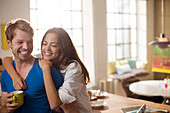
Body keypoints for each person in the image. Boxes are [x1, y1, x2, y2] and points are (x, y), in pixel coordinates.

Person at [3, 27, 92, 113]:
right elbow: (7, 60)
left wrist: (46, 68)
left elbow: (55, 104)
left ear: (63, 47)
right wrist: (15, 76)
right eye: (45, 44)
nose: (47, 49)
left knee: (67, 105)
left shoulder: (73, 68)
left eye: (53, 45)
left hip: (76, 110)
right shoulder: (43, 58)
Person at [0, 18, 63, 113]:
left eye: (29, 42)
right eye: (20, 42)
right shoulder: (5, 74)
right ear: (9, 43)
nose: (26, 47)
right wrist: (8, 108)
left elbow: (64, 107)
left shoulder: (46, 68)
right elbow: (2, 108)